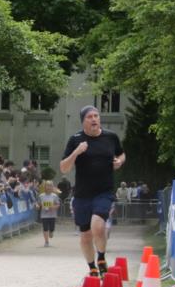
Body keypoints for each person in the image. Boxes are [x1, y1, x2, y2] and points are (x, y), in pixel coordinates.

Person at [60, 105, 125, 276]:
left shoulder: (111, 137)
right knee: (86, 235)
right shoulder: (75, 140)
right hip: (82, 194)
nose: (94, 119)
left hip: (104, 191)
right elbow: (64, 168)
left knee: (98, 224)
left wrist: (119, 161)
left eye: (96, 116)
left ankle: (101, 257)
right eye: (90, 117)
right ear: (83, 121)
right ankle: (92, 268)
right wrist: (76, 152)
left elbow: (121, 154)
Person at [38, 180, 61, 247]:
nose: (48, 187)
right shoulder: (41, 196)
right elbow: (38, 204)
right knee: (45, 228)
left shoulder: (54, 196)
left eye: (50, 186)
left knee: (52, 228)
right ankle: (46, 242)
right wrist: (37, 206)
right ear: (45, 187)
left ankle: (51, 231)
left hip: (52, 215)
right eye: (47, 186)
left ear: (52, 187)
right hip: (44, 215)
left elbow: (58, 205)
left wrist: (53, 207)